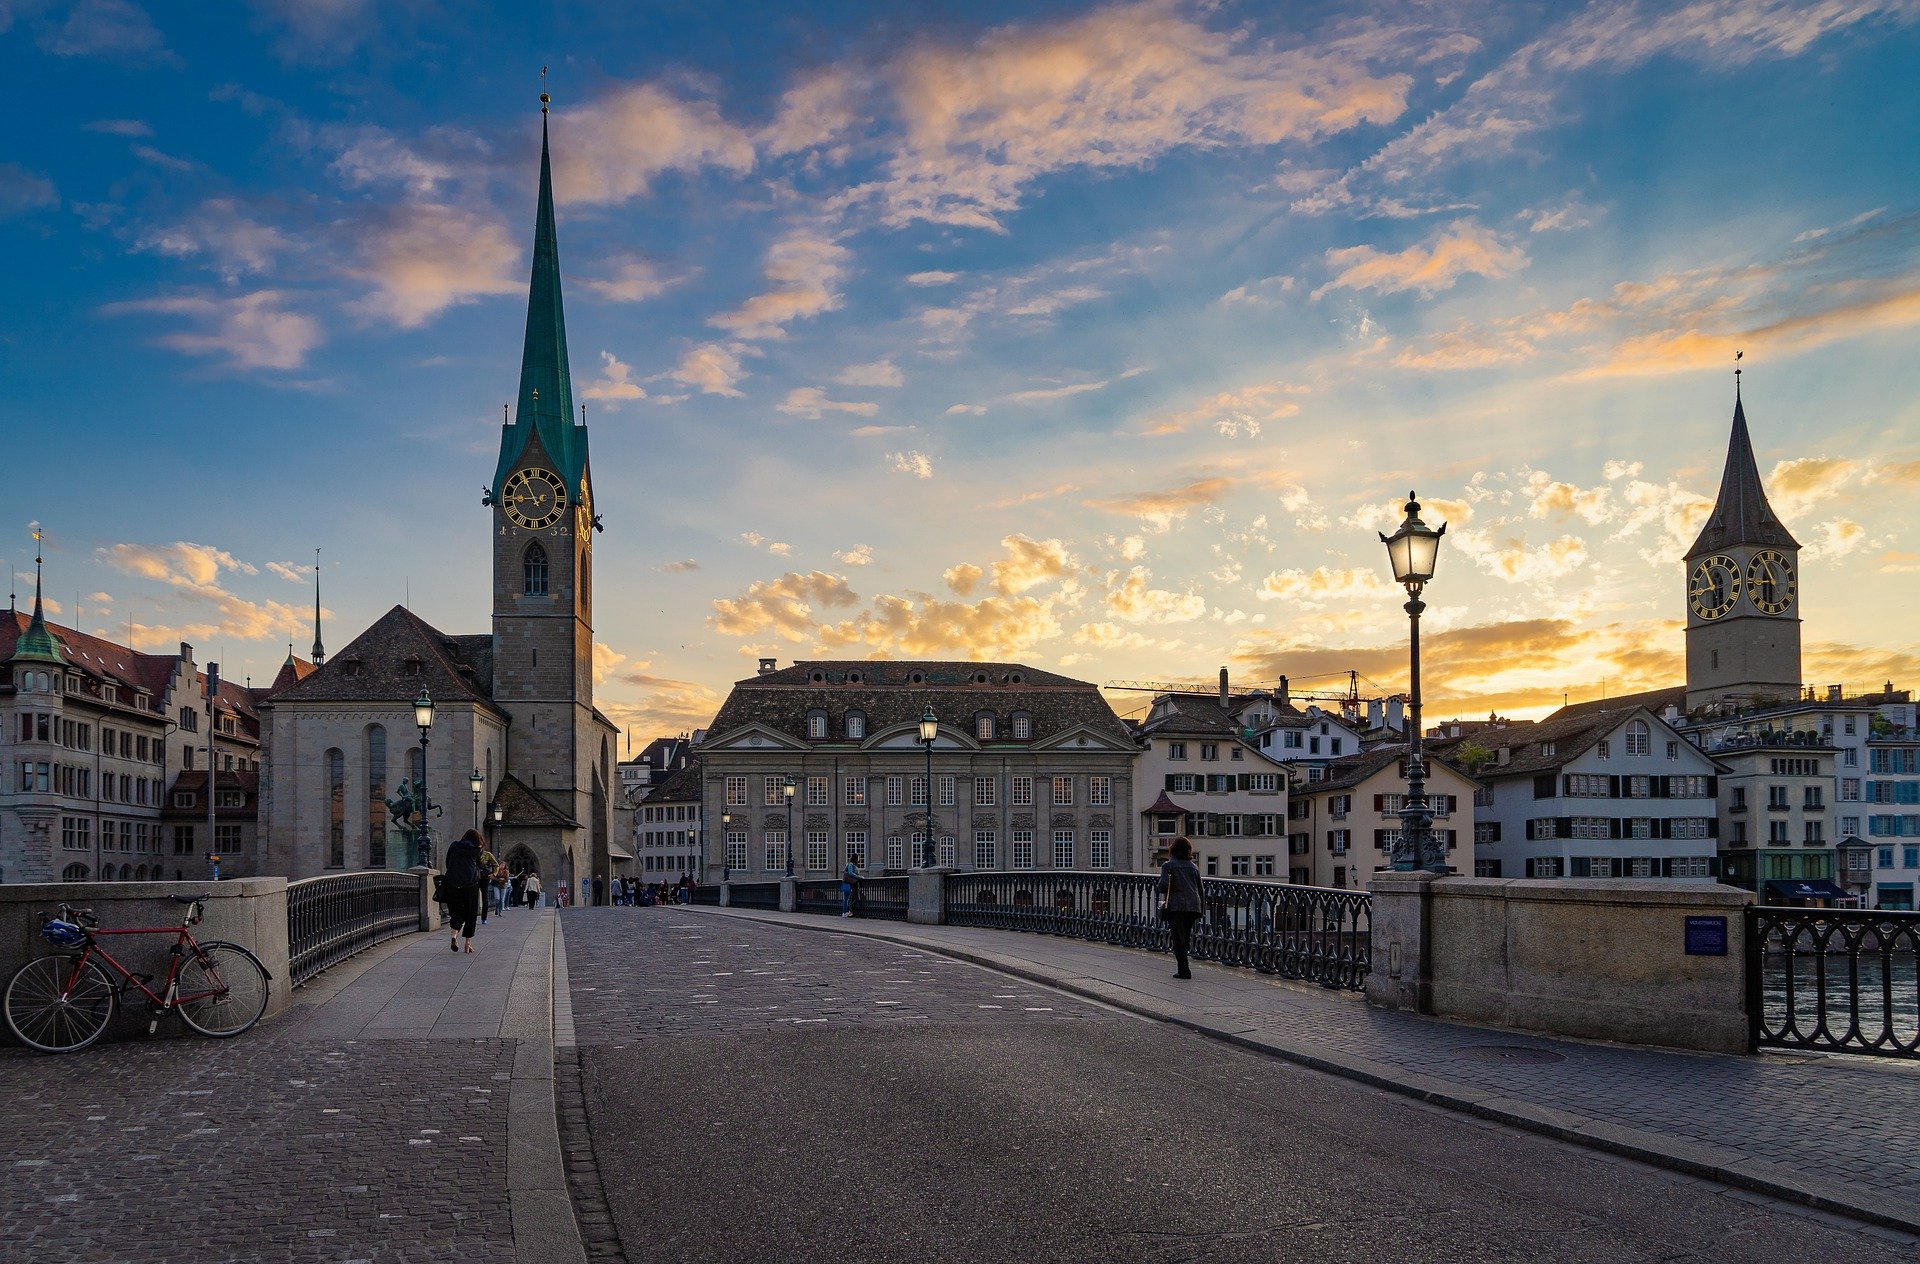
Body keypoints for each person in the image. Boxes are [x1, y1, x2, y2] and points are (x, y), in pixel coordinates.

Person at [1157, 837, 1204, 980]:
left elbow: (1163, 886)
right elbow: (1200, 889)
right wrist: (1200, 908)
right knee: (1186, 936)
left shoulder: (1168, 866)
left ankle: (1184, 970)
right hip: (1193, 905)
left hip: (1176, 905)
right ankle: (1184, 967)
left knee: (1178, 938)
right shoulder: (1193, 867)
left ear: (1173, 849)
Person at [443, 829, 485, 954]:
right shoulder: (476, 850)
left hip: (452, 883)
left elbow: (447, 862)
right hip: (470, 885)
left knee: (456, 911)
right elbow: (479, 866)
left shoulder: (454, 846)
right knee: (470, 913)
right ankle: (467, 944)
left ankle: (454, 935)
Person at [476, 841, 499, 925]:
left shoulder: (488, 854)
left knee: (484, 897)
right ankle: (472, 916)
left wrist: (494, 874)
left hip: (485, 877)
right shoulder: (472, 853)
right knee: (473, 897)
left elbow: (496, 865)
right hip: (475, 877)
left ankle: (484, 918)